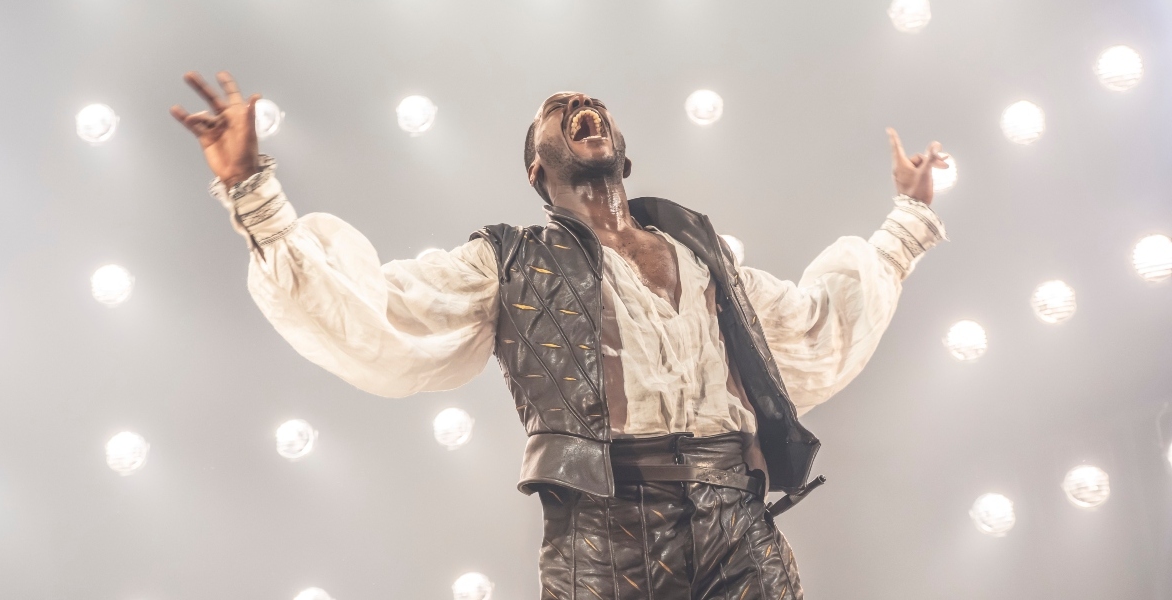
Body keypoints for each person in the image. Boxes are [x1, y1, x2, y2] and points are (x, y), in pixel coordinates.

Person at [172, 71, 948, 600]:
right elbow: (379, 309)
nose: (581, 105)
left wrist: (907, 220)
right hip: (607, 530)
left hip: (736, 513)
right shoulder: (508, 260)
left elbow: (814, 322)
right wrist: (253, 192)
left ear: (623, 154)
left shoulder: (701, 253)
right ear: (538, 171)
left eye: (591, 105)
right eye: (559, 111)